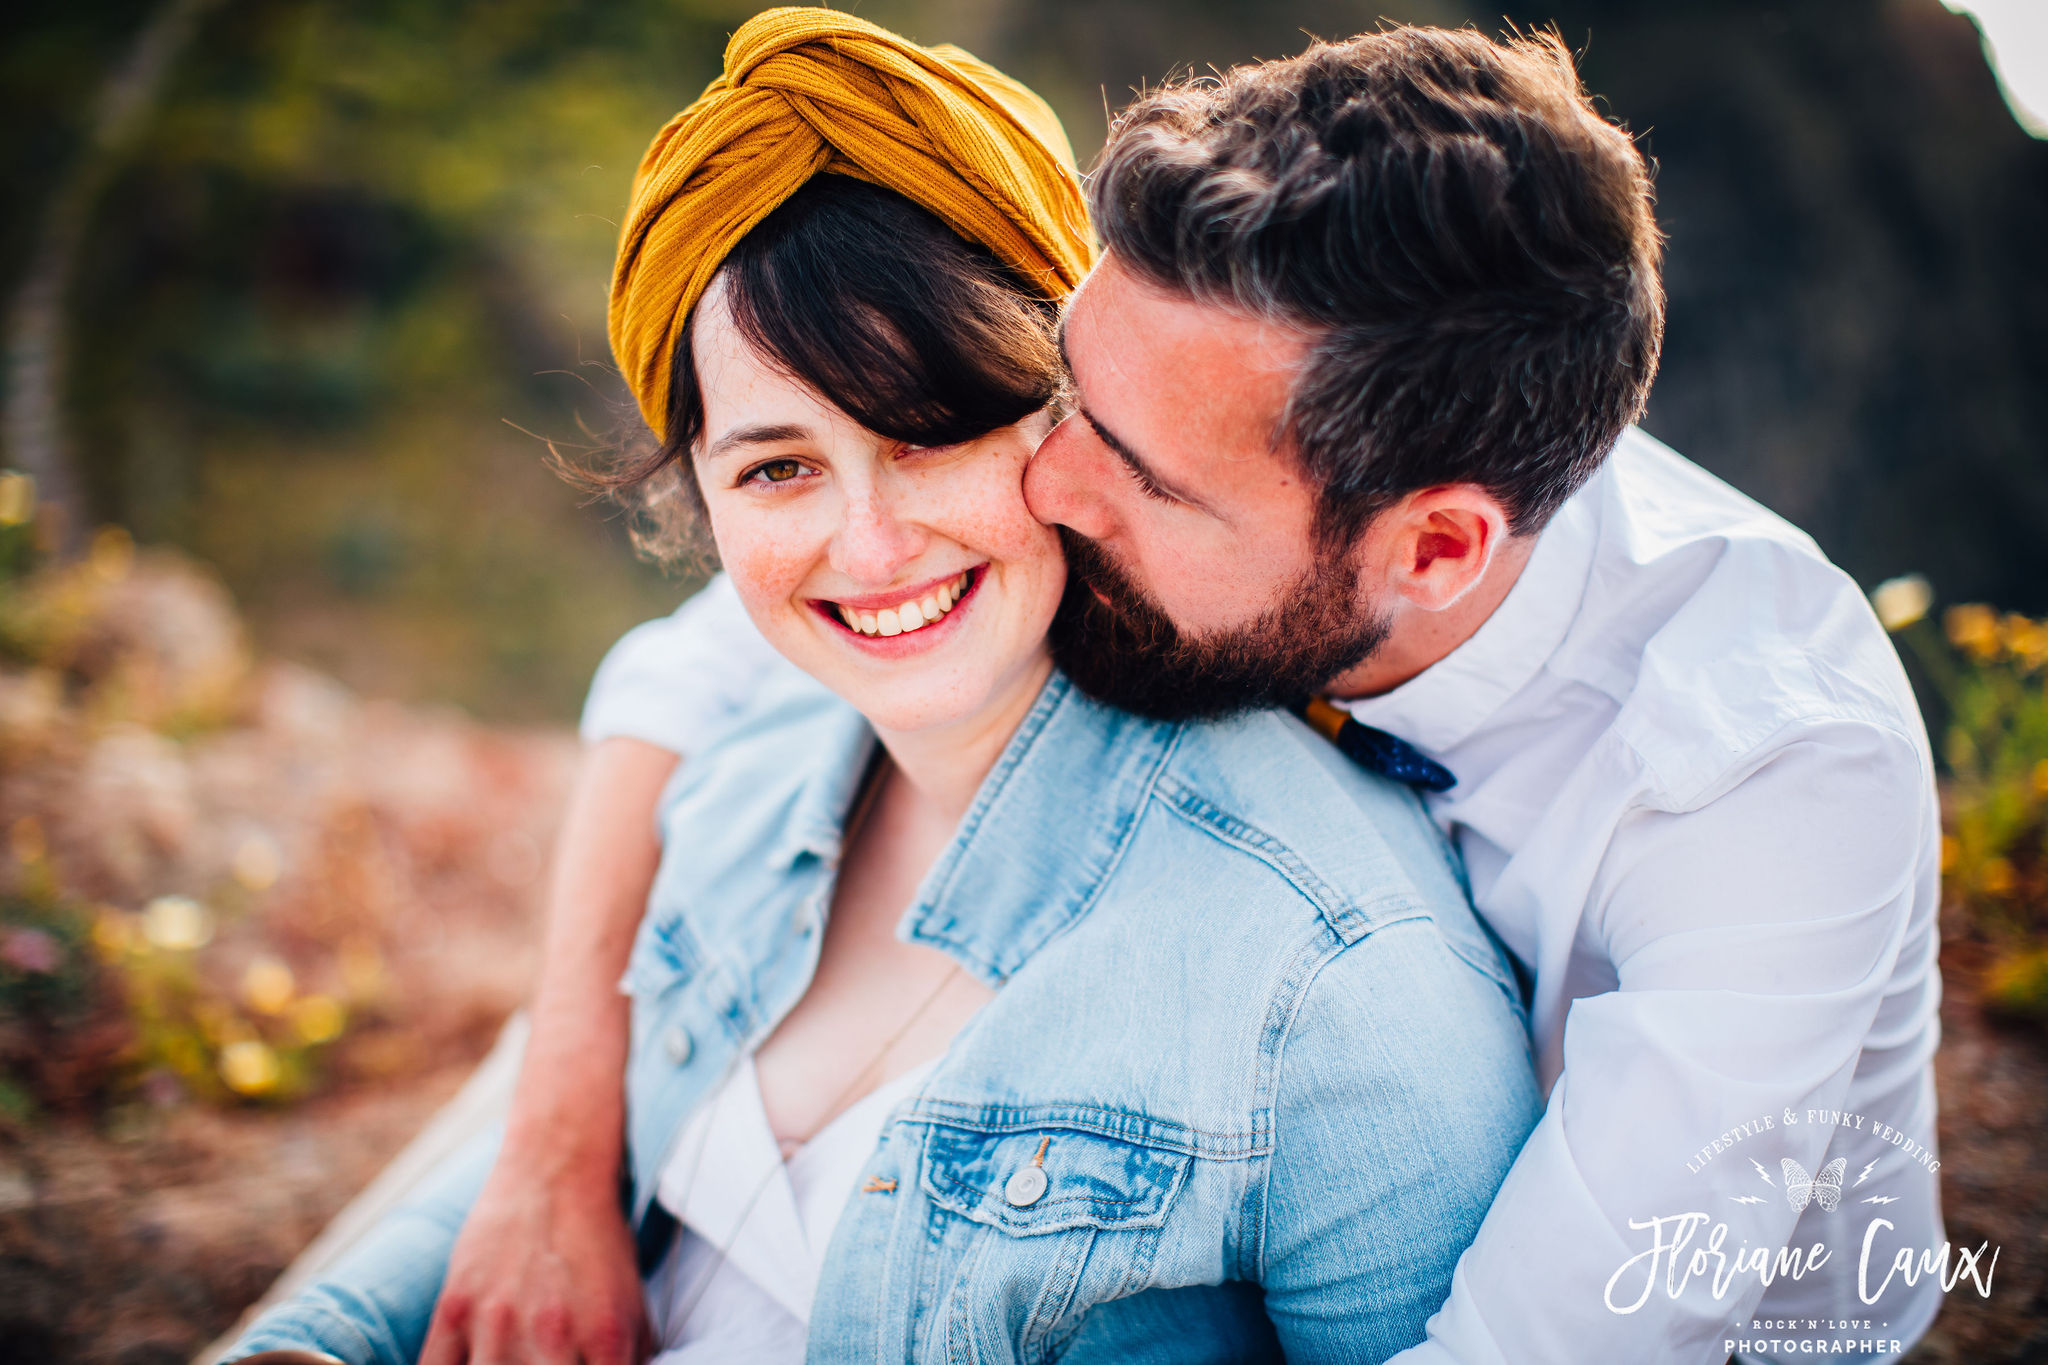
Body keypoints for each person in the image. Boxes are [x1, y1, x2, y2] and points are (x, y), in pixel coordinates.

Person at [442, 18, 1947, 1365]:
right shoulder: (1198, 474)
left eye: (1135, 470)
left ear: (1432, 551)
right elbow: (699, 660)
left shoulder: (1763, 783)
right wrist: (558, 1131)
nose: (1045, 476)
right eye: (1061, 396)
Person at [223, 11, 1538, 1364]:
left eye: (932, 432)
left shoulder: (1336, 979)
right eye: (777, 468)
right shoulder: (748, 774)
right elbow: (569, 1161)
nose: (869, 547)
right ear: (706, 504)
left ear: (1073, 412)